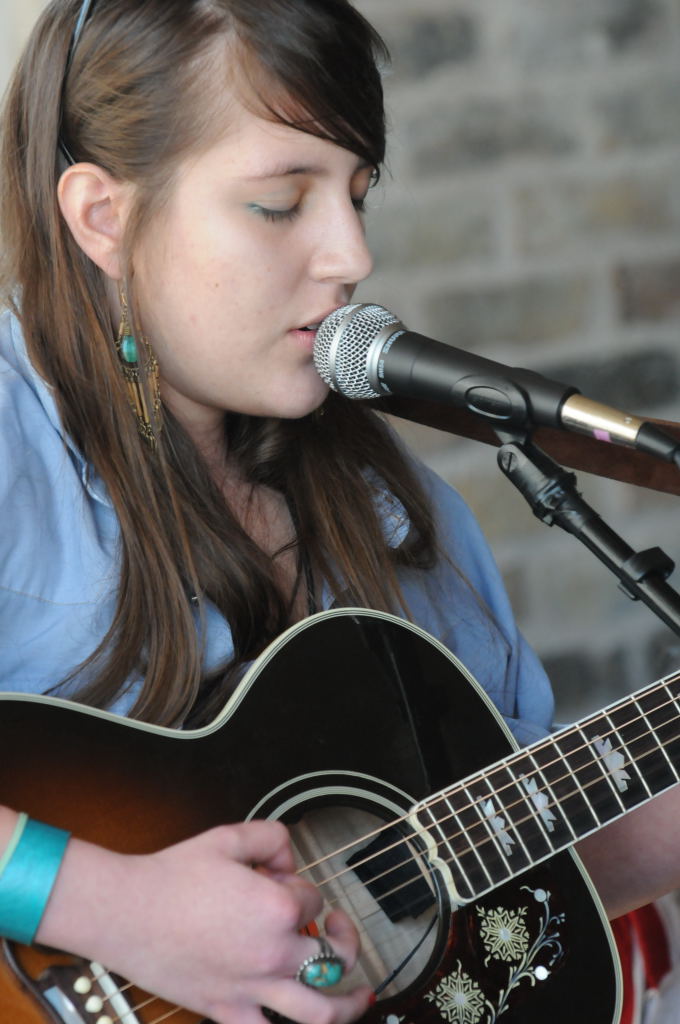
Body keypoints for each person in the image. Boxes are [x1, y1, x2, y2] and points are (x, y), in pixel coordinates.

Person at [1, 1, 680, 1023]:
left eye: (358, 195)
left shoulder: (395, 511)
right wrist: (114, 907)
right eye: (280, 203)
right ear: (104, 216)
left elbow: (508, 873)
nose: (350, 255)